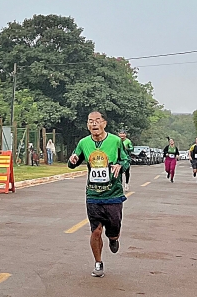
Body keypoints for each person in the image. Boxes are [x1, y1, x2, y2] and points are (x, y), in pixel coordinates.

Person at [67, 111, 128, 278]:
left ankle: (114, 239)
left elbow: (126, 160)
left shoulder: (115, 141)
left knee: (113, 230)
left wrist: (119, 166)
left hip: (113, 194)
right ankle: (98, 263)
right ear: (87, 125)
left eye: (97, 121)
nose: (94, 124)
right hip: (93, 194)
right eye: (90, 121)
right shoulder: (83, 143)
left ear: (104, 123)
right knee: (96, 231)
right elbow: (74, 161)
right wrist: (72, 160)